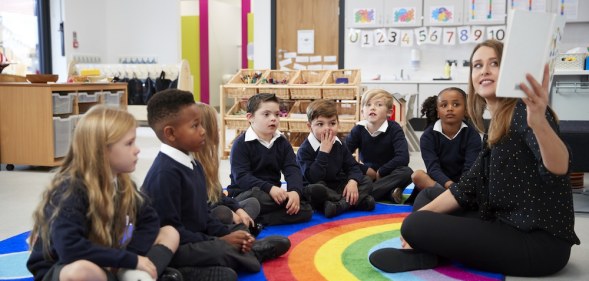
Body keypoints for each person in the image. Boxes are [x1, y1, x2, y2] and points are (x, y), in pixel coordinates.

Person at [369, 39, 580, 276]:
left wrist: (539, 122)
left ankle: (430, 249)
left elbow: (559, 168)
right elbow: (466, 187)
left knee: (415, 224)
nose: (485, 70)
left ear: (510, 71)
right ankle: (429, 251)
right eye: (477, 65)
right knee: (427, 198)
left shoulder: (525, 112)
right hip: (504, 221)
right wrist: (422, 217)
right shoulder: (498, 121)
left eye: (494, 63)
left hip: (537, 244)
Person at [142, 89, 290, 280]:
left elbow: (203, 214)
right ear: (170, 134)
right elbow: (172, 234)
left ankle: (240, 254)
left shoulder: (192, 164)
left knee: (243, 242)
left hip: (198, 236)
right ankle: (182, 272)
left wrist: (222, 235)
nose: (203, 131)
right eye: (195, 126)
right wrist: (222, 241)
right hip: (178, 246)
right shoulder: (164, 174)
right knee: (224, 264)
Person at [26, 106, 181, 281]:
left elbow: (149, 220)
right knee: (81, 271)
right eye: (129, 143)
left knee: (169, 232)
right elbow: (70, 249)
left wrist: (128, 258)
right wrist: (128, 259)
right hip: (64, 266)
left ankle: (134, 275)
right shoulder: (70, 191)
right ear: (102, 150)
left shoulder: (122, 183)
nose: (137, 149)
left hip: (108, 259)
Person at [227, 93, 313, 225]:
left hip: (273, 196)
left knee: (305, 209)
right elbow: (242, 177)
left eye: (277, 114)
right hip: (247, 194)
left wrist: (294, 192)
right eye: (266, 114)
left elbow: (292, 169)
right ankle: (248, 213)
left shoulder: (282, 142)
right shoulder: (241, 144)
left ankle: (258, 220)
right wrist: (269, 188)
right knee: (255, 198)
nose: (273, 119)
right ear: (250, 117)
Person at [297, 99, 376, 218]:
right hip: (317, 186)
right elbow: (313, 178)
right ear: (310, 126)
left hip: (337, 186)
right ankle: (353, 202)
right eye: (320, 124)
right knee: (315, 189)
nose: (327, 128)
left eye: (332, 123)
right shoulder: (304, 150)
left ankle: (338, 206)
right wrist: (323, 151)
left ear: (338, 124)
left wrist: (353, 181)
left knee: (366, 180)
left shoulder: (339, 144)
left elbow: (353, 166)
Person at [192, 102, 262, 235]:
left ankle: (240, 229)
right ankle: (240, 231)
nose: (219, 131)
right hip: (205, 215)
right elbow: (199, 206)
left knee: (253, 203)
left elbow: (218, 195)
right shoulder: (192, 164)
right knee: (223, 213)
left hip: (217, 206)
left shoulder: (208, 160)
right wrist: (231, 212)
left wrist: (238, 210)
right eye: (215, 127)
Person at [410, 87, 482, 207]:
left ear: (465, 110)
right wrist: (450, 186)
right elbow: (433, 168)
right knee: (417, 175)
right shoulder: (428, 136)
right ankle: (454, 201)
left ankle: (450, 201)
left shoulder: (472, 136)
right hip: (438, 184)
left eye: (456, 104)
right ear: (438, 111)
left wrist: (460, 188)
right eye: (444, 105)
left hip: (464, 185)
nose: (450, 108)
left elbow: (470, 168)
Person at [345, 89, 413, 204]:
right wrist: (365, 169)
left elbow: (403, 158)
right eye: (368, 104)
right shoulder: (358, 130)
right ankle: (389, 193)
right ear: (362, 111)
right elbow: (343, 156)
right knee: (345, 172)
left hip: (389, 173)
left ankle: (364, 194)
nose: (372, 108)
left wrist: (381, 172)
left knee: (407, 172)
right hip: (367, 174)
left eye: (379, 105)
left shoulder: (394, 129)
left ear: (389, 112)